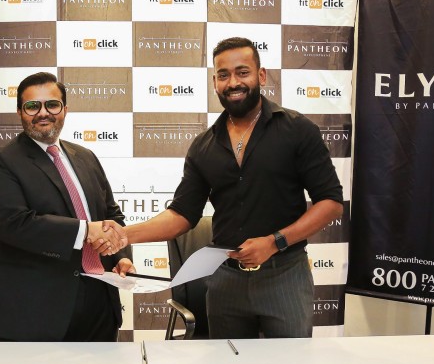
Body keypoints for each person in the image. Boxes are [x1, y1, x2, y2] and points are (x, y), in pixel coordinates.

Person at [122, 37, 343, 339]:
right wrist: (123, 235)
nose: (233, 82)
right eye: (223, 75)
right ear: (215, 82)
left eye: (243, 72)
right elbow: (181, 215)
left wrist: (274, 242)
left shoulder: (297, 130)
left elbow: (331, 203)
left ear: (261, 75)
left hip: (285, 276)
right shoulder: (203, 146)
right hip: (225, 281)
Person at [0, 72, 133, 342]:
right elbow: (14, 224)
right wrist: (87, 230)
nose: (43, 113)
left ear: (65, 110)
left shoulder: (86, 157)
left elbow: (111, 215)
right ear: (19, 112)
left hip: (97, 302)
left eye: (52, 104)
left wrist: (119, 254)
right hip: (27, 311)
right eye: (32, 106)